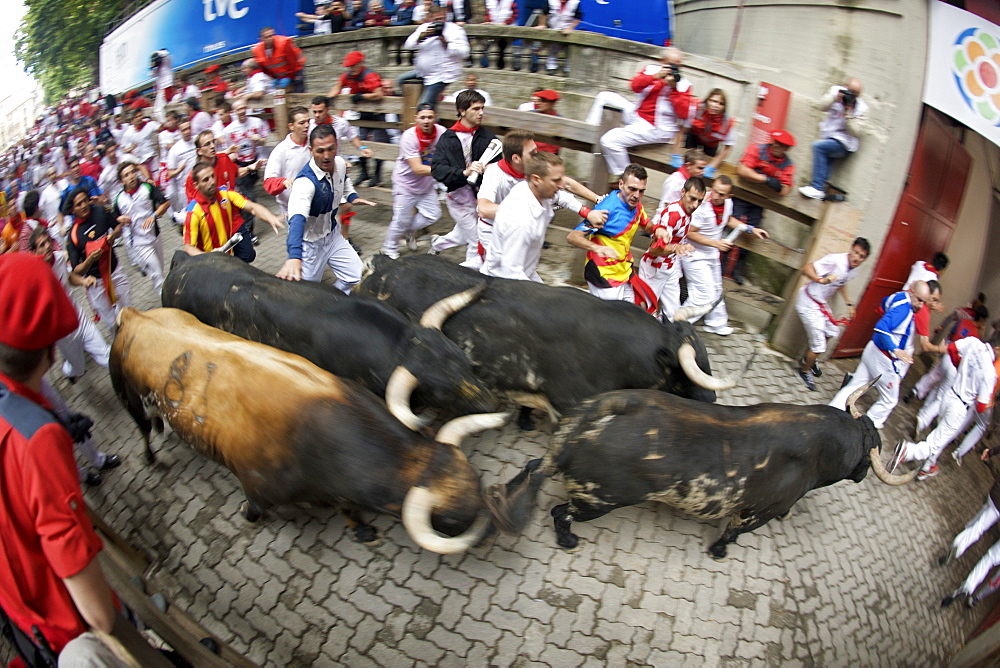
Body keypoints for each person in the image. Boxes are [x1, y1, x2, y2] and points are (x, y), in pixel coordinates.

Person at [0, 252, 122, 665]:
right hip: (59, 628)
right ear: (52, 350)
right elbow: (98, 614)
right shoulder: (41, 439)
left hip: (13, 608)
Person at [476, 129, 603, 268]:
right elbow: (483, 209)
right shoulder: (495, 173)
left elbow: (563, 187)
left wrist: (591, 207)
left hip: (520, 234)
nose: (536, 156)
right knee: (501, 275)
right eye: (532, 153)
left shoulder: (531, 171)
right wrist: (524, 211)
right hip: (493, 233)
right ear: (516, 158)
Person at [828, 280, 942, 430]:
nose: (920, 305)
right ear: (912, 292)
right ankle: (867, 427)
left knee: (856, 385)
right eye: (919, 300)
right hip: (883, 359)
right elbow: (881, 327)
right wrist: (894, 349)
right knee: (890, 400)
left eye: (924, 303)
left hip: (872, 350)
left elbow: (883, 304)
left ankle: (830, 413)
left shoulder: (899, 296)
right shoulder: (905, 311)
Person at [276, 125, 375, 289]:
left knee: (356, 277)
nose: (327, 156)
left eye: (331, 149)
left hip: (333, 236)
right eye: (320, 151)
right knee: (306, 293)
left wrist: (353, 197)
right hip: (310, 246)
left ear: (337, 145)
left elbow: (344, 181)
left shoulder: (340, 163)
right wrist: (294, 256)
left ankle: (334, 306)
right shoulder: (305, 183)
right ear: (310, 150)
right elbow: (297, 220)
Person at [891, 338, 999, 480]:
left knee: (940, 436)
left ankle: (927, 466)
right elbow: (980, 407)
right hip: (959, 407)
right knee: (935, 443)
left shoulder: (974, 342)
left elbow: (952, 348)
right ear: (997, 349)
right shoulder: (990, 374)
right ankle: (908, 451)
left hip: (950, 394)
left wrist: (958, 365)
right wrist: (988, 404)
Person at [682, 175, 771, 335]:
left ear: (728, 197)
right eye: (714, 191)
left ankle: (715, 323)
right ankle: (677, 325)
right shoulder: (701, 207)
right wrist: (716, 243)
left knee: (716, 289)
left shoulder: (728, 204)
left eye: (721, 194)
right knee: (703, 295)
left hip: (711, 255)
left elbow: (728, 219)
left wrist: (750, 229)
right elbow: (689, 233)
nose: (715, 196)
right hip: (693, 255)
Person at [566, 163, 655, 306]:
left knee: (631, 315)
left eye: (641, 191)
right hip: (603, 274)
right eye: (632, 189)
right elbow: (573, 236)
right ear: (621, 184)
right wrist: (598, 248)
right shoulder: (607, 210)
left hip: (624, 271)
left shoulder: (637, 204)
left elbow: (647, 225)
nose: (636, 196)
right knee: (609, 322)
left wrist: (659, 229)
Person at [599, 48, 693, 178]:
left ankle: (627, 178)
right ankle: (590, 131)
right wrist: (656, 77)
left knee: (609, 140)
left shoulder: (683, 85)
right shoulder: (651, 70)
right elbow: (634, 86)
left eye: (678, 64)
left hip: (656, 127)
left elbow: (684, 114)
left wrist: (673, 89)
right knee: (604, 96)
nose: (675, 67)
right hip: (637, 115)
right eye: (671, 64)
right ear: (662, 61)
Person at [429, 89, 498, 263]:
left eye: (482, 108)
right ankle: (469, 274)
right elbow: (437, 170)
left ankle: (437, 244)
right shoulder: (448, 138)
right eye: (476, 109)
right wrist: (464, 172)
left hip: (480, 198)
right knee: (477, 241)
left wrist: (491, 167)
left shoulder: (487, 136)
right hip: (458, 200)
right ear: (462, 111)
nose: (481, 113)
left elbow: (500, 164)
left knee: (461, 235)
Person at [794, 237, 871, 390]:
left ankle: (809, 359)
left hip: (820, 303)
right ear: (851, 249)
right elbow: (806, 268)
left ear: (865, 259)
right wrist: (820, 280)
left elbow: (841, 283)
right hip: (808, 302)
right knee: (818, 346)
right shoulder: (835, 260)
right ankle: (804, 370)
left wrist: (849, 303)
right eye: (855, 252)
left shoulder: (852, 271)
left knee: (832, 331)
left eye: (861, 256)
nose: (857, 258)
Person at [482, 151, 565, 282]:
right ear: (536, 179)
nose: (562, 185)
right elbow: (510, 272)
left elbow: (564, 197)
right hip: (504, 282)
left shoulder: (528, 188)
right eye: (556, 180)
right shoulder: (521, 223)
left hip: (526, 272)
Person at [730, 129, 796, 284]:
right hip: (742, 195)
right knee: (734, 225)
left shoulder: (787, 165)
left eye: (781, 145)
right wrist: (765, 179)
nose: (776, 146)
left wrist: (775, 185)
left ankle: (737, 267)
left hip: (760, 203)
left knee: (753, 232)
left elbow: (785, 189)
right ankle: (722, 263)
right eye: (775, 142)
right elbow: (743, 169)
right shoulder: (757, 149)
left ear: (786, 149)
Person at [636, 176, 706, 321]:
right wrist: (676, 248)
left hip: (669, 266)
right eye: (692, 198)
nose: (695, 205)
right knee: (645, 312)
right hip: (654, 268)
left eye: (700, 201)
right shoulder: (673, 215)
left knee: (673, 313)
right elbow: (655, 249)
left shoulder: (686, 212)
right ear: (683, 192)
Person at [382, 103, 446, 258]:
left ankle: (410, 231)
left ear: (435, 118)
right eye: (422, 117)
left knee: (434, 214)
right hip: (405, 184)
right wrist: (447, 171)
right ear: (416, 118)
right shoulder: (409, 137)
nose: (426, 121)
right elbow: (417, 168)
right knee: (400, 220)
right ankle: (389, 248)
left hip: (425, 184)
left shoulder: (442, 133)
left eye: (430, 117)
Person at [64, 187, 131, 333]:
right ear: (72, 210)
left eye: (84, 201)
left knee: (129, 312)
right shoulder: (73, 236)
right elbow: (77, 270)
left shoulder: (101, 211)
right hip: (96, 283)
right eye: (78, 204)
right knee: (112, 324)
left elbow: (117, 226)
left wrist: (115, 235)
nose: (83, 206)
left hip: (115, 270)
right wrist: (89, 260)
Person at [183, 161, 285, 258]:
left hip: (227, 259)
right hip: (209, 264)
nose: (212, 181)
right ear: (196, 185)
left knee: (248, 256)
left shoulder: (225, 194)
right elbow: (189, 247)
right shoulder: (193, 212)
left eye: (213, 176)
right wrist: (207, 257)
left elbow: (252, 207)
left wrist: (270, 217)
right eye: (206, 180)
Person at [799, 78, 868, 200]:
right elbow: (821, 106)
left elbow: (857, 132)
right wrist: (834, 98)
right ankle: (822, 188)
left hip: (845, 143)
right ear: (845, 86)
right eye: (849, 91)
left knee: (818, 147)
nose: (851, 95)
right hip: (829, 136)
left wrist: (848, 113)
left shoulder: (861, 108)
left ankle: (817, 188)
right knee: (826, 157)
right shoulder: (835, 91)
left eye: (855, 93)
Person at [940, 479, 1000, 609]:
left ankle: (958, 546)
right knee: (989, 560)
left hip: (997, 501)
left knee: (979, 526)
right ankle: (968, 587)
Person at [112, 162, 170, 295]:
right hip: (139, 243)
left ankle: (145, 267)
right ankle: (167, 303)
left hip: (155, 236)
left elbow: (165, 203)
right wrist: (120, 220)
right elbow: (114, 221)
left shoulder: (147, 187)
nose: (131, 176)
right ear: (122, 181)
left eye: (133, 172)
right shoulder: (119, 199)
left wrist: (154, 215)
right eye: (126, 175)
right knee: (157, 275)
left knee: (160, 269)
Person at [402, 2, 470, 109]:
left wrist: (446, 43)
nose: (439, 22)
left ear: (446, 16)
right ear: (429, 18)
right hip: (422, 73)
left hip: (441, 75)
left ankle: (430, 118)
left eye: (441, 19)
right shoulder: (424, 28)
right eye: (436, 20)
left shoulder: (455, 30)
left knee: (425, 106)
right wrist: (421, 37)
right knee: (401, 80)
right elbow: (408, 45)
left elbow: (465, 52)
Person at [337, 51, 388, 188]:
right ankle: (364, 172)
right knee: (361, 143)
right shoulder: (349, 76)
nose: (351, 69)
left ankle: (377, 175)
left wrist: (362, 96)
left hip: (377, 116)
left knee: (380, 143)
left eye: (353, 65)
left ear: (360, 64)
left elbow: (378, 94)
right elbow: (337, 87)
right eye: (350, 66)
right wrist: (330, 99)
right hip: (364, 115)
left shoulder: (369, 75)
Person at [224, 99, 270, 245]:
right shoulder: (229, 130)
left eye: (244, 107)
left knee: (246, 195)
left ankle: (239, 227)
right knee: (248, 198)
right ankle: (249, 233)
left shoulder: (256, 122)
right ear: (234, 112)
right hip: (239, 166)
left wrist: (259, 140)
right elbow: (228, 153)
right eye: (238, 109)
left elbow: (264, 140)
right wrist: (234, 155)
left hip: (254, 163)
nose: (242, 111)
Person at [263, 106, 313, 216]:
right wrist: (283, 182)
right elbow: (268, 183)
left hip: (314, 201)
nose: (307, 125)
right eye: (302, 123)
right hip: (292, 208)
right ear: (291, 126)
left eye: (308, 121)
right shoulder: (281, 151)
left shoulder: (314, 143)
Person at [680, 88, 737, 175]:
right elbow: (681, 130)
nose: (716, 105)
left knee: (703, 167)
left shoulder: (727, 122)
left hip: (711, 144)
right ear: (707, 100)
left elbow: (728, 147)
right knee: (689, 162)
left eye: (721, 103)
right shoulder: (696, 108)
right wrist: (676, 154)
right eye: (713, 101)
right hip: (694, 136)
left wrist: (712, 166)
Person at [654, 148, 707, 221]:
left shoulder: (690, 181)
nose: (703, 172)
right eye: (700, 168)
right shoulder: (675, 182)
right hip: (665, 223)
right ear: (688, 165)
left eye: (703, 168)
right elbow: (669, 206)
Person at [252, 27, 306, 92]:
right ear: (261, 39)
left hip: (295, 70)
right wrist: (274, 78)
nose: (271, 38)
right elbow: (263, 68)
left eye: (272, 35)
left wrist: (289, 76)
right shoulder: (257, 50)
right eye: (267, 37)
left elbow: (292, 63)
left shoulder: (284, 43)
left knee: (298, 92)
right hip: (278, 76)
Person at [535, 0, 582, 74]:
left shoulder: (575, 2)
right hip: (554, 27)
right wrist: (542, 24)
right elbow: (544, 13)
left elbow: (578, 18)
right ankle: (551, 68)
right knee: (553, 48)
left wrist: (570, 28)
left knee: (568, 51)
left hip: (567, 28)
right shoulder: (551, 1)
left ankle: (567, 69)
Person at [165, 119, 198, 218]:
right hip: (184, 189)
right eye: (184, 130)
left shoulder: (197, 141)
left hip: (200, 185)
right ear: (180, 131)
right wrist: (179, 170)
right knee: (190, 216)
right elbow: (169, 174)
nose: (187, 131)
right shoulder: (175, 149)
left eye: (188, 128)